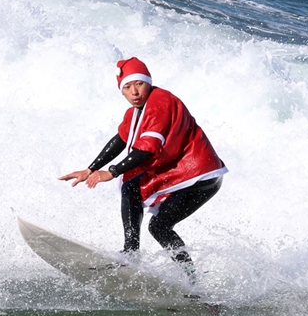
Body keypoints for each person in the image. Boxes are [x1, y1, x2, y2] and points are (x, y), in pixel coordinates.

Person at [58, 57, 227, 278]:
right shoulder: (135, 112)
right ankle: (143, 258)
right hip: (179, 171)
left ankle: (184, 275)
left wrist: (111, 172)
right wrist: (91, 169)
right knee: (142, 203)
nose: (134, 91)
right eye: (127, 87)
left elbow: (147, 148)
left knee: (155, 221)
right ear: (122, 92)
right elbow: (120, 139)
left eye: (139, 83)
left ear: (149, 82)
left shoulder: (160, 103)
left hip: (199, 176)